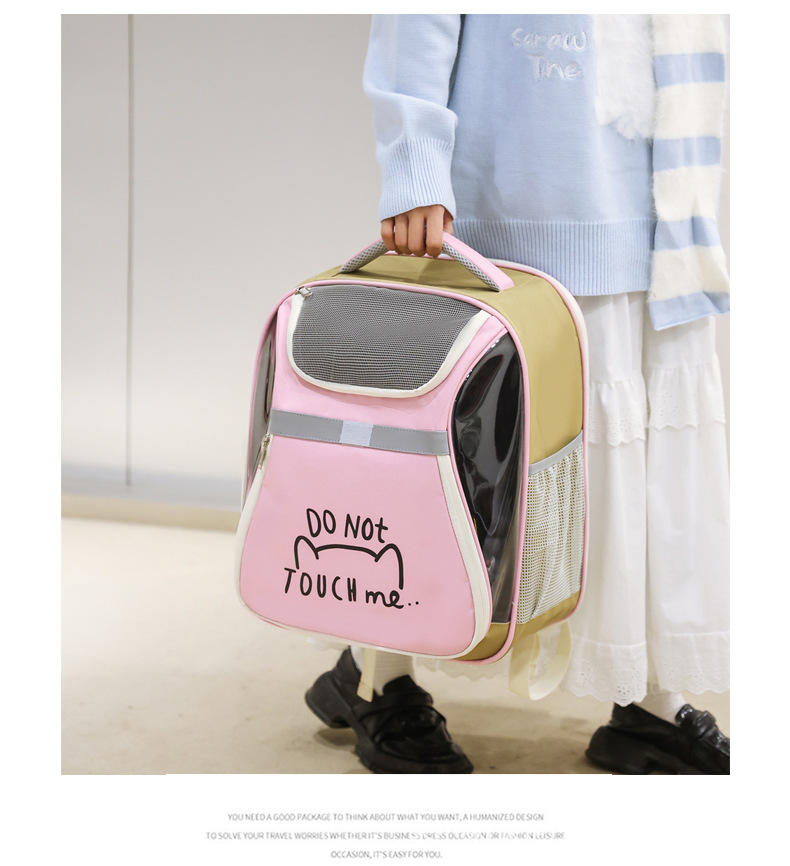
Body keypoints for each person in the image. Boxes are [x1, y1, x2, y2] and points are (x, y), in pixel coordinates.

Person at [305, 13, 730, 774]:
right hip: (518, 193)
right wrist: (416, 166)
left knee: (634, 473)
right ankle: (380, 673)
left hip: (660, 204)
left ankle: (648, 698)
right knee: (453, 456)